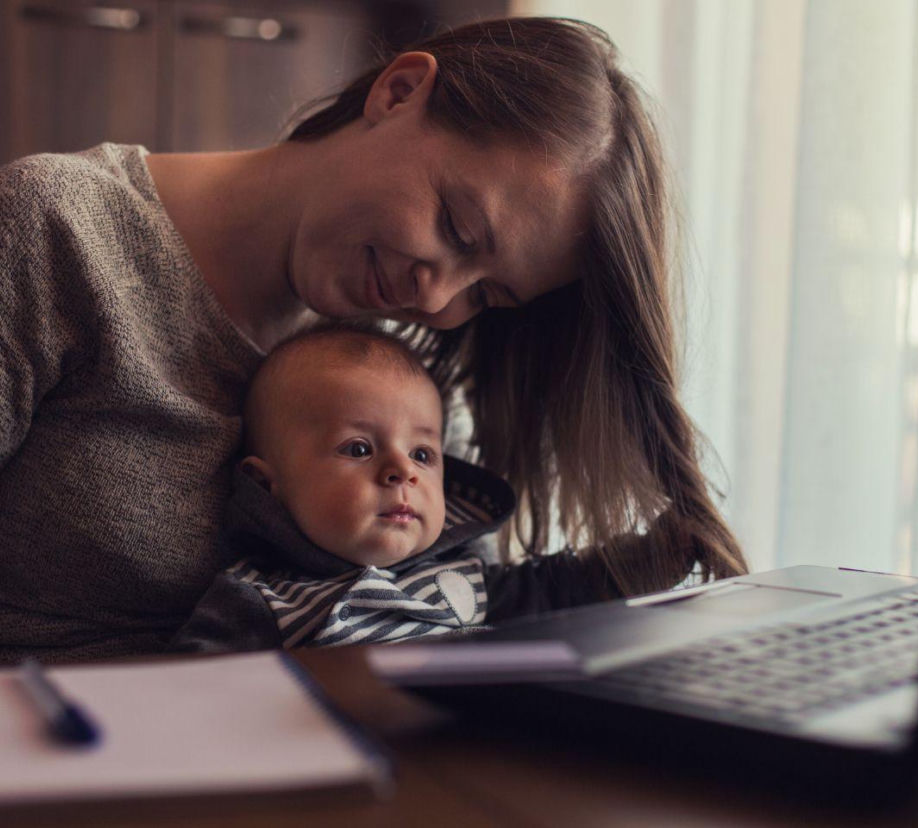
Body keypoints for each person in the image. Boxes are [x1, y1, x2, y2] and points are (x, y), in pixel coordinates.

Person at [0, 16, 745, 664]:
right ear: (397, 92)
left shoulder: (399, 364)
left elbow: (458, 602)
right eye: (456, 227)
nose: (437, 297)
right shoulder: (54, 231)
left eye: (485, 293)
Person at [172, 324, 614, 652]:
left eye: (422, 454)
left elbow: (556, 591)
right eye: (360, 448)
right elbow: (193, 699)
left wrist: (652, 556)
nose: (403, 471)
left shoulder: (462, 576)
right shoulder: (259, 602)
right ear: (267, 486)